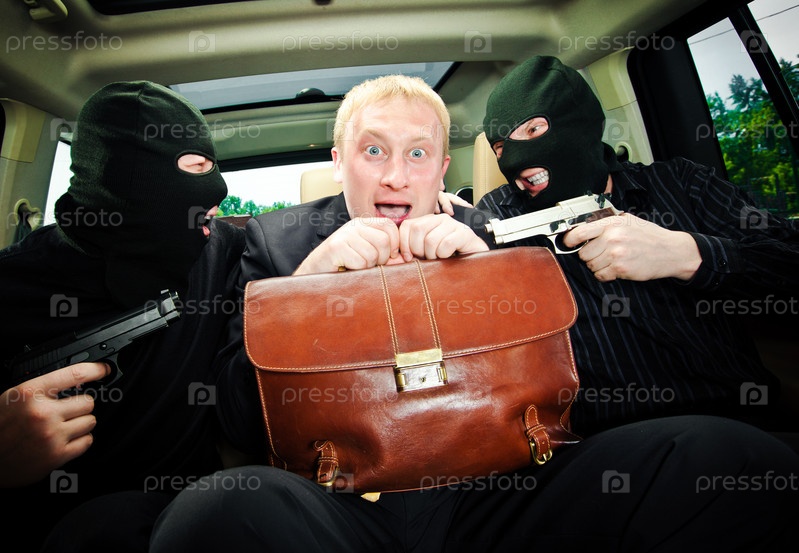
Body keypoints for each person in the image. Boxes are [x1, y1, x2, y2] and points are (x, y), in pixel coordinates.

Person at [149, 74, 798, 552]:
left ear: (441, 168)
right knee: (213, 513)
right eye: (372, 151)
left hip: (503, 492)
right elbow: (241, 417)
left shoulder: (492, 231)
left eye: (417, 154)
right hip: (345, 503)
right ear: (338, 161)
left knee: (721, 454)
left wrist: (485, 275)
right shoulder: (276, 243)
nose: (395, 177)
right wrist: (312, 290)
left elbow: (556, 384)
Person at [475, 55, 799, 438]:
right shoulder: (499, 217)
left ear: (578, 122)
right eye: (501, 147)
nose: (515, 157)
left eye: (533, 130)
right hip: (605, 444)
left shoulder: (682, 184)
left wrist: (688, 255)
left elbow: (788, 268)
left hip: (741, 423)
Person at [0, 81, 245, 552]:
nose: (217, 190)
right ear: (124, 179)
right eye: (194, 167)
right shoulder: (10, 289)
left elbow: (305, 245)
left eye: (212, 166)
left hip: (184, 523)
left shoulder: (217, 254)